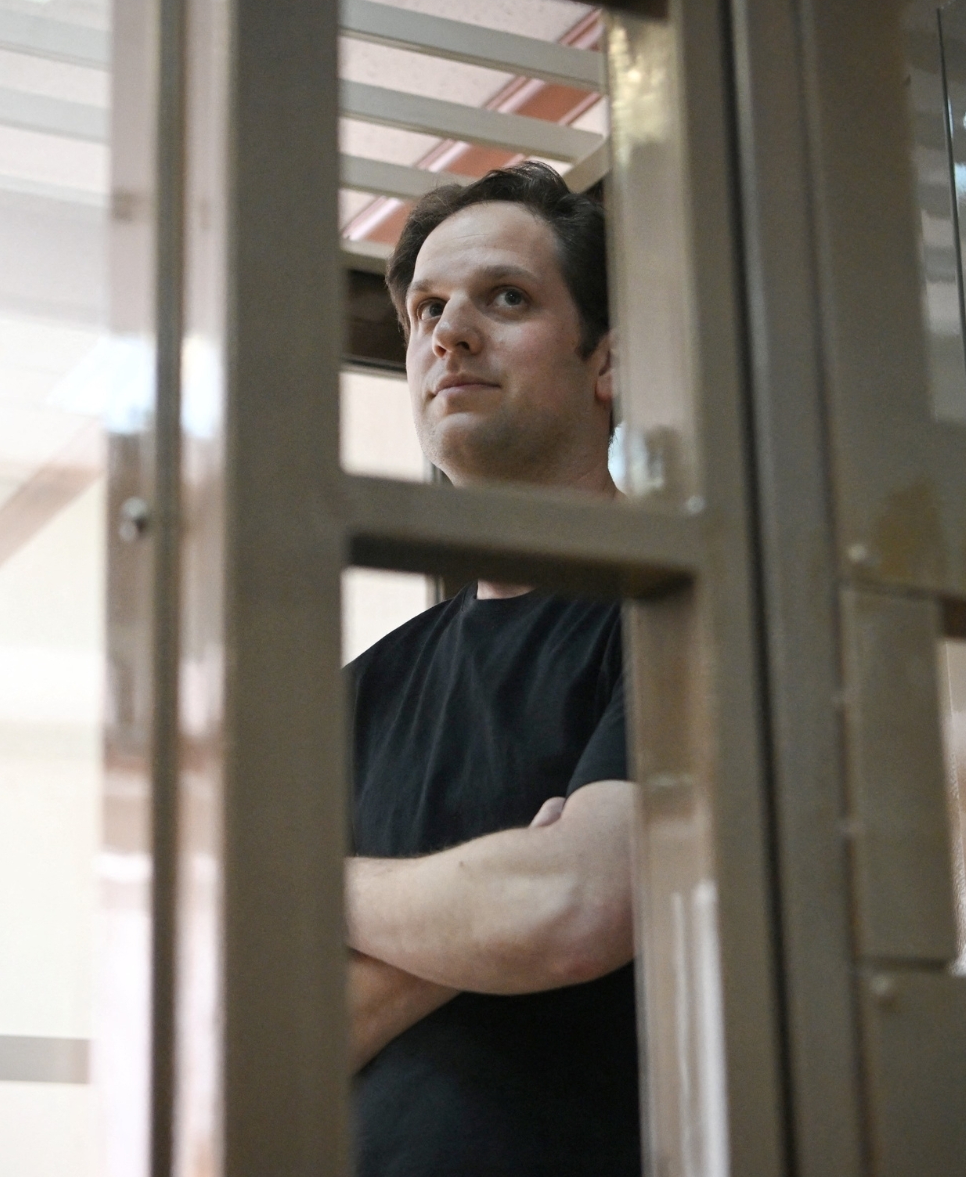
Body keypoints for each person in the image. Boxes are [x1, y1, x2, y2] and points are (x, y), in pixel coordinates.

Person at [343, 161, 640, 1176]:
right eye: (427, 308)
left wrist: (315, 891)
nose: (448, 333)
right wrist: (503, 882)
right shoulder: (362, 690)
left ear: (606, 361)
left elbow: (572, 912)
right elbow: (255, 1031)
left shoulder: (685, 617)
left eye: (503, 299)